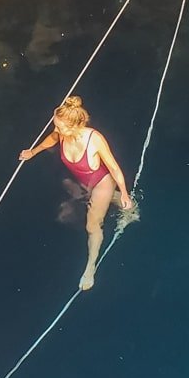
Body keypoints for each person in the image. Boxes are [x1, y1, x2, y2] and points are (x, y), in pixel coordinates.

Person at [19, 95, 135, 292]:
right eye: (56, 125)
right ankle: (115, 200)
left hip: (101, 182)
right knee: (66, 186)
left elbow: (114, 169)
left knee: (91, 225)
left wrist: (123, 192)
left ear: (74, 127)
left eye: (60, 127)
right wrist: (33, 152)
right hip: (83, 181)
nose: (57, 130)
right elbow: (51, 139)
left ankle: (90, 268)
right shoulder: (61, 133)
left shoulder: (94, 139)